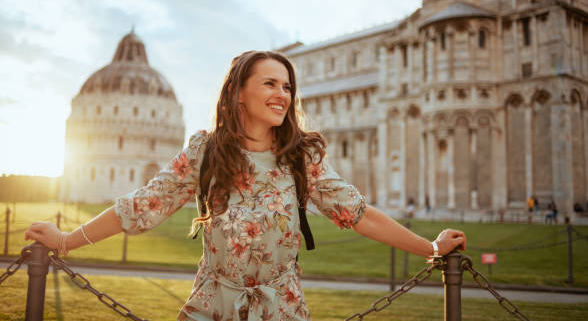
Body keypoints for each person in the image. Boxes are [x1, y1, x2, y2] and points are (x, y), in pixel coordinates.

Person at [25, 51, 467, 321]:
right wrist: (65, 240)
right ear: (239, 93)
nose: (283, 94)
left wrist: (429, 247)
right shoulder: (204, 151)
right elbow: (142, 206)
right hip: (212, 306)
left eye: (287, 86)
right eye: (270, 83)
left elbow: (359, 213)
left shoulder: (302, 157)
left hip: (283, 309)